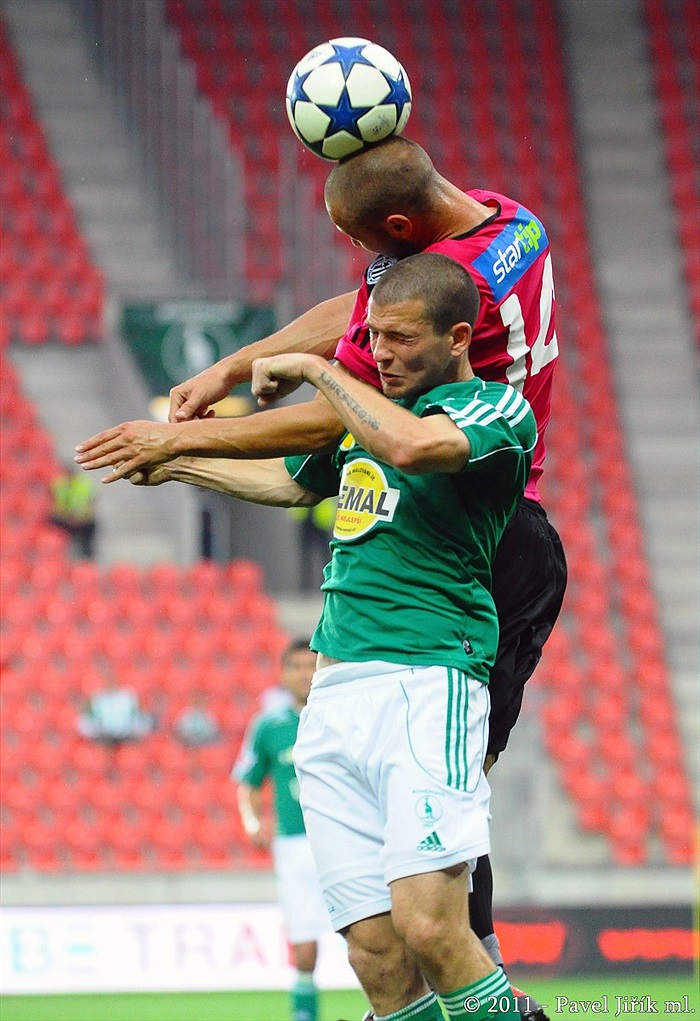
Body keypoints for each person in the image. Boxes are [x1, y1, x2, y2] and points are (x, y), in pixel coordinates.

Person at [75, 137, 567, 1018]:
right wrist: (177, 463)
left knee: (431, 926)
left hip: (426, 673)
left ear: (459, 338)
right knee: (376, 956)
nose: (371, 353)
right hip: (336, 694)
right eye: (369, 340)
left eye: (392, 339)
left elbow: (404, 443)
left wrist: (306, 374)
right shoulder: (496, 235)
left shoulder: (491, 409)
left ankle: (499, 989)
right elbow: (291, 480)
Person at [234, 638, 327, 1021]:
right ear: (284, 673)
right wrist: (253, 822)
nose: (304, 674)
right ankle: (304, 1015)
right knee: (304, 948)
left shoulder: (339, 715)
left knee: (374, 939)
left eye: (311, 666)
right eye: (295, 667)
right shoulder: (268, 726)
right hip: (294, 846)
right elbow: (248, 783)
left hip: (347, 841)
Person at [77, 670, 154, 748]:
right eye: (108, 682)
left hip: (126, 735)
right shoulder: (98, 698)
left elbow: (139, 714)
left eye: (112, 682)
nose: (110, 684)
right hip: (103, 736)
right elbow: (88, 716)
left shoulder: (127, 696)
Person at [50, 462, 97, 558]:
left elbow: (91, 506)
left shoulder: (84, 485)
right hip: (65, 520)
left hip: (82, 520)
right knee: (52, 523)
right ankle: (58, 553)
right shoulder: (58, 485)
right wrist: (67, 518)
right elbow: (53, 506)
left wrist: (79, 518)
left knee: (91, 526)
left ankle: (87, 556)